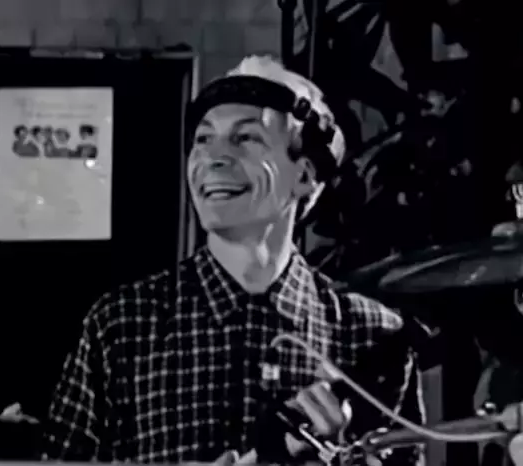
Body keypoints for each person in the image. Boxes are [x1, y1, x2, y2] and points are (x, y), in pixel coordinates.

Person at [39, 56, 426, 465]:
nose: (213, 158)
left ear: (304, 175)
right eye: (203, 139)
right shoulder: (120, 327)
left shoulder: (376, 336)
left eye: (246, 138)